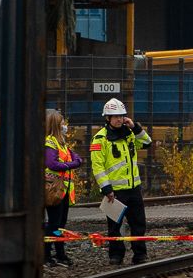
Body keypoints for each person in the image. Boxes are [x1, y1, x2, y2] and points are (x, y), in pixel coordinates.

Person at [90, 98, 153, 264]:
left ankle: (140, 254)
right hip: (115, 192)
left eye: (121, 116)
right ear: (107, 118)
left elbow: (147, 142)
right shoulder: (100, 139)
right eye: (115, 116)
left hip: (133, 189)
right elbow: (98, 167)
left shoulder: (129, 133)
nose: (119, 119)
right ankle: (116, 255)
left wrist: (135, 127)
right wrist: (107, 188)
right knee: (114, 227)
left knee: (138, 224)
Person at [44, 109, 81, 266]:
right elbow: (52, 164)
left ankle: (60, 253)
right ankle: (46, 255)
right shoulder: (50, 143)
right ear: (56, 125)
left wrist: (74, 161)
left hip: (62, 190)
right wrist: (72, 164)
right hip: (53, 190)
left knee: (61, 224)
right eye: (63, 123)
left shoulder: (62, 143)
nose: (65, 125)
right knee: (54, 223)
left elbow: (76, 157)